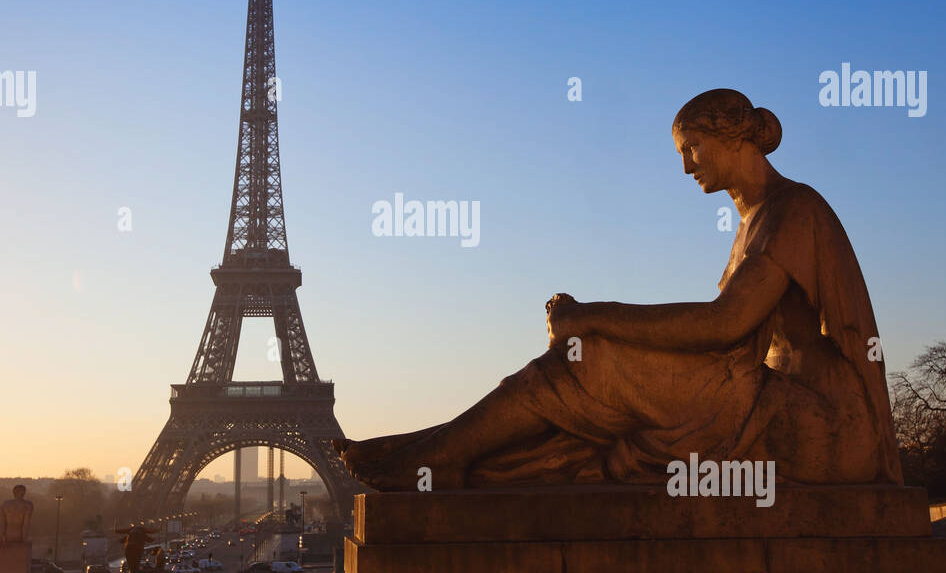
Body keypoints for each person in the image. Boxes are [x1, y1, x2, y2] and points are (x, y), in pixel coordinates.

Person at [338, 88, 903, 489]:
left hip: (823, 425)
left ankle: (434, 458)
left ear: (732, 139)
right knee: (591, 366)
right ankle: (437, 453)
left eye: (693, 148)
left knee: (594, 357)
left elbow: (725, 324)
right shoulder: (758, 217)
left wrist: (595, 316)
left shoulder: (791, 209)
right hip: (769, 398)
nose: (686, 167)